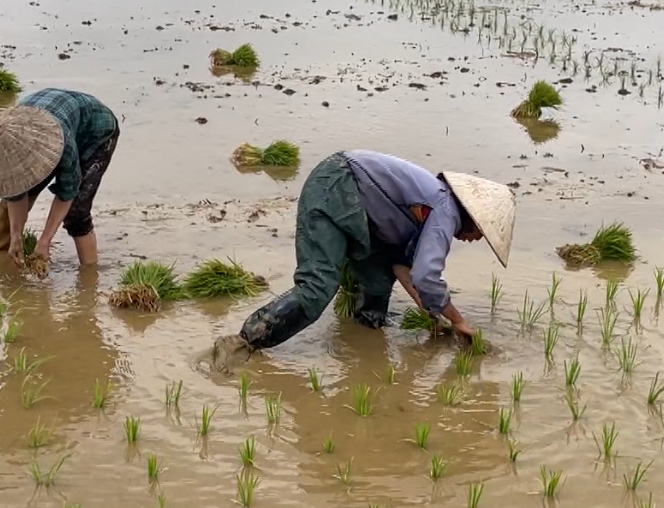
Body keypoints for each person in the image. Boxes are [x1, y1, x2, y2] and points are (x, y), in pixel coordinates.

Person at [211, 151, 516, 368]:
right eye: (481, 233)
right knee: (318, 287)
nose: (476, 239)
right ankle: (242, 343)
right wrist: (458, 320)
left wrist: (430, 311)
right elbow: (427, 275)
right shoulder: (445, 209)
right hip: (336, 187)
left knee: (378, 283)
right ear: (474, 218)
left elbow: (402, 266)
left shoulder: (435, 204)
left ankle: (361, 340)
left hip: (363, 214)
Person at [0, 89, 119, 268]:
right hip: (51, 112)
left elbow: (67, 192)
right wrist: (16, 235)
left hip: (96, 133)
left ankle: (89, 280)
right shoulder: (9, 144)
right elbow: (16, 191)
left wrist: (45, 241)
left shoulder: (64, 143)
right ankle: (1, 266)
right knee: (17, 192)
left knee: (76, 212)